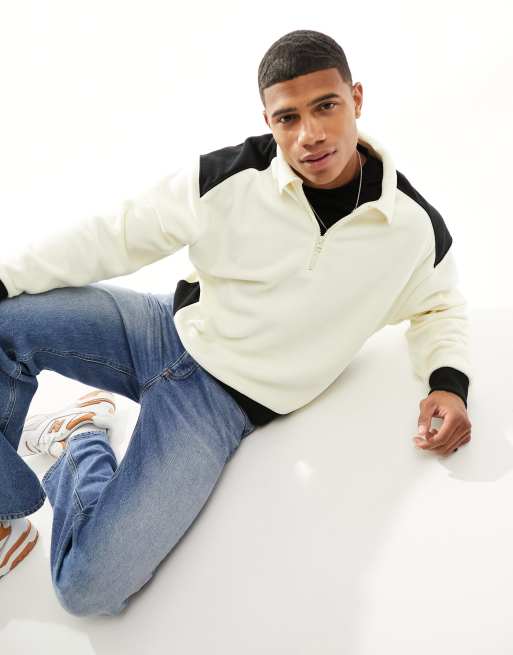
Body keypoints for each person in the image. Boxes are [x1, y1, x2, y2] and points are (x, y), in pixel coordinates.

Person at [0, 29, 472, 614]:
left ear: (356, 98)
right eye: (288, 117)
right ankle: (5, 512)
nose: (309, 134)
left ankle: (80, 442)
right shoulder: (229, 176)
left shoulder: (411, 228)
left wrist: (448, 383)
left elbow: (440, 306)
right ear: (268, 120)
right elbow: (111, 235)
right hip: (158, 330)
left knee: (86, 590)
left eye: (326, 106)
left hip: (216, 409)